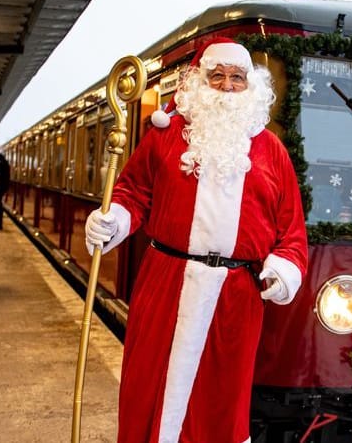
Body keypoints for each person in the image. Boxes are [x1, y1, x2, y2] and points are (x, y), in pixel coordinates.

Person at [84, 37, 308, 443]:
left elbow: (291, 231)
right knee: (148, 388)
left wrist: (281, 270)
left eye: (236, 78)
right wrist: (112, 220)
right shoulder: (165, 137)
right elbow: (133, 193)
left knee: (221, 404)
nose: (225, 86)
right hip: (166, 285)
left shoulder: (273, 151)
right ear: (199, 82)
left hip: (235, 301)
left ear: (250, 86)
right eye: (216, 76)